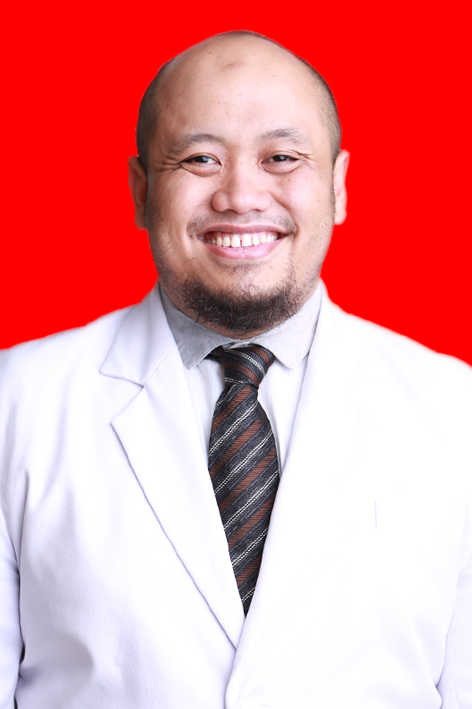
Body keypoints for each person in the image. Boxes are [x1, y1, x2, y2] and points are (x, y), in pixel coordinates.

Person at [0, 30, 471, 709]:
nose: (241, 196)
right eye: (199, 159)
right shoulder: (17, 404)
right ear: (141, 191)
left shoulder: (455, 411)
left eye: (281, 157)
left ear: (338, 186)